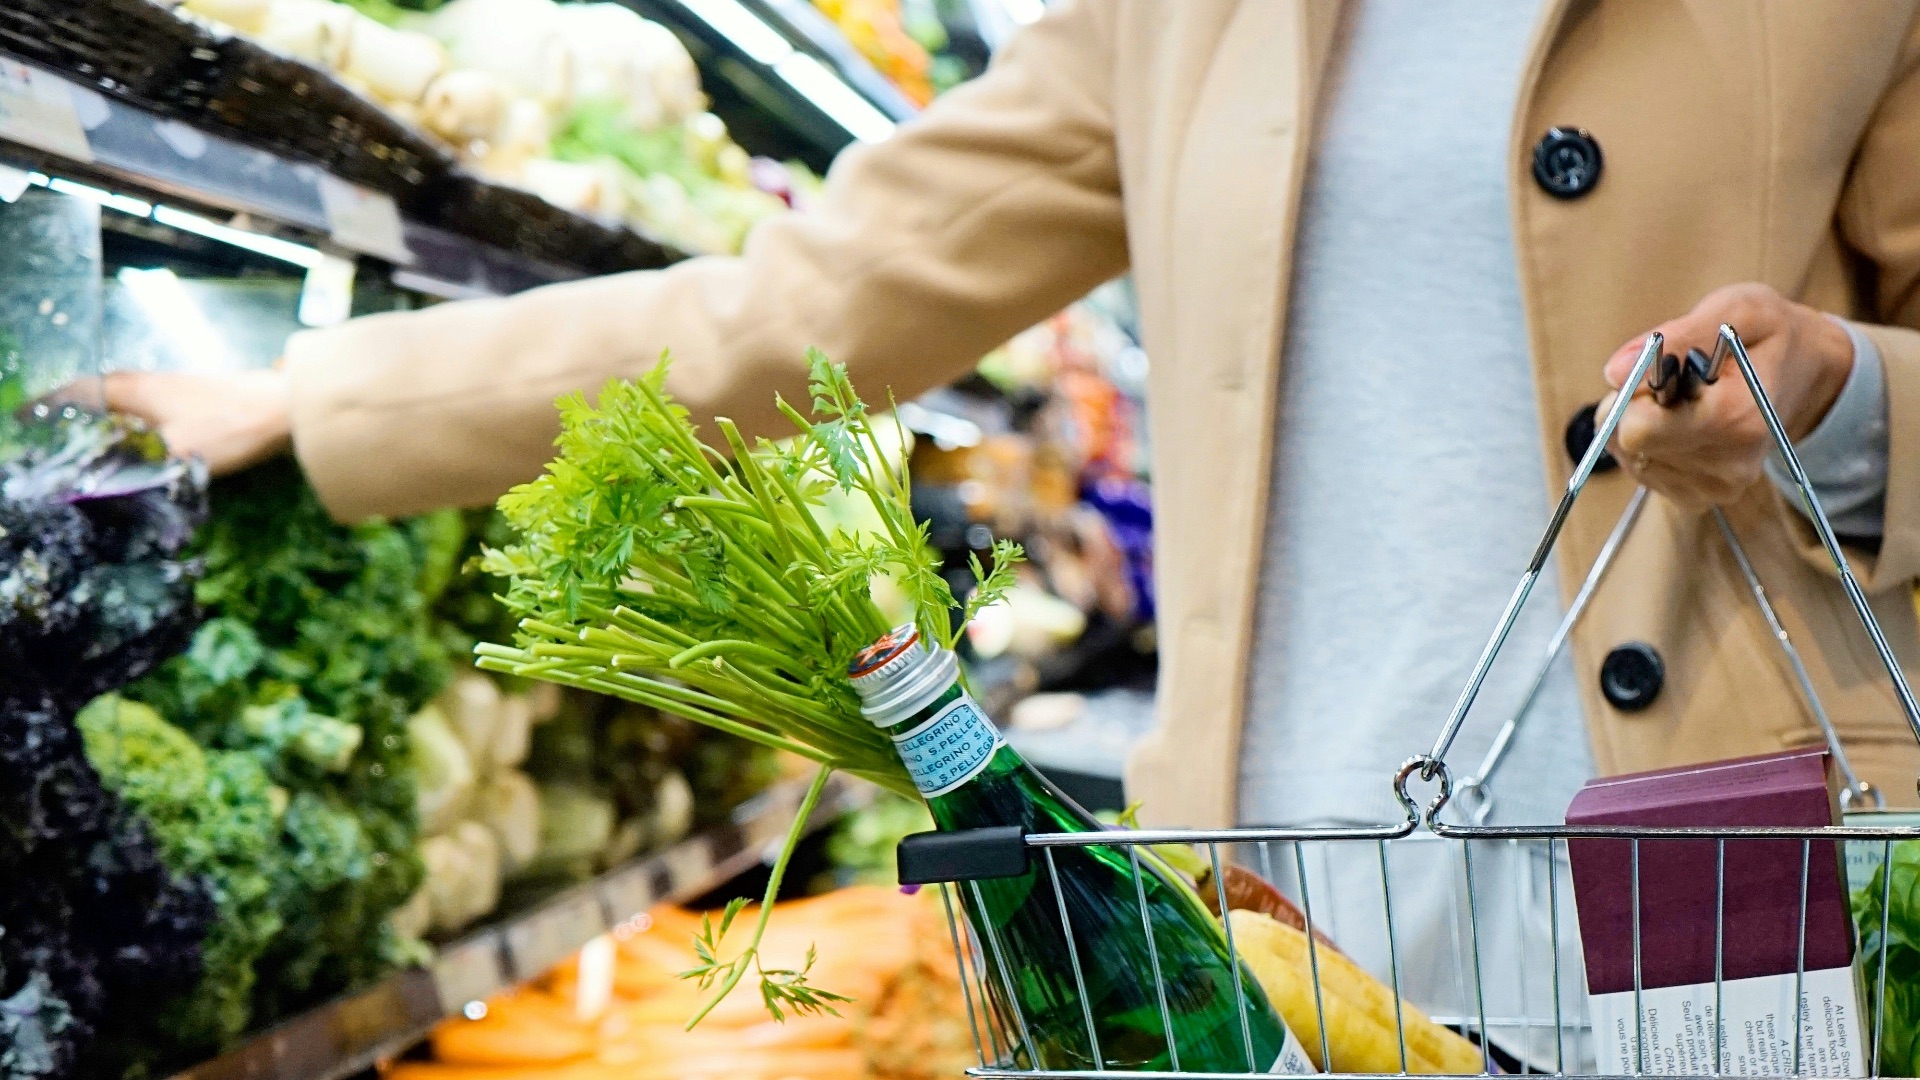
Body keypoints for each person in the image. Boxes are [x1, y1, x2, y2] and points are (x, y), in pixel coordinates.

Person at [100, 0, 1920, 1062]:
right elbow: (804, 300)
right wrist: (331, 402)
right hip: (1276, 872)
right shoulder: (1177, 19)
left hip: (1725, 853)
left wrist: (1839, 404)